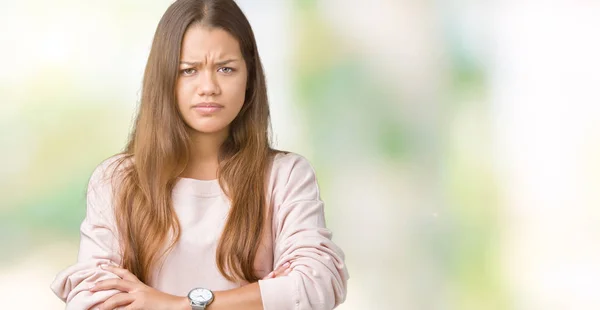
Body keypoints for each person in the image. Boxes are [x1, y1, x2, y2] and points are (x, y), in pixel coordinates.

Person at [49, 0, 349, 309]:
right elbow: (91, 299)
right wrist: (263, 294)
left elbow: (317, 284)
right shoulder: (119, 179)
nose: (208, 87)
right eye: (188, 70)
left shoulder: (285, 175)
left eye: (225, 68)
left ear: (250, 77)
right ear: (164, 78)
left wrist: (173, 304)